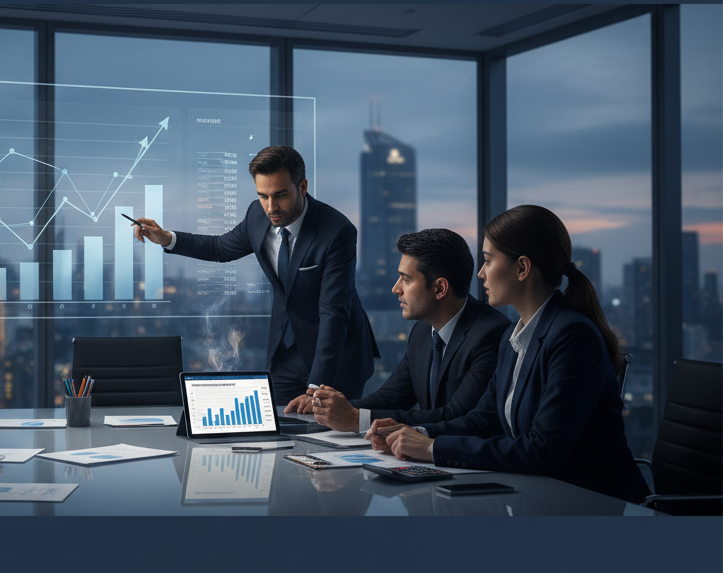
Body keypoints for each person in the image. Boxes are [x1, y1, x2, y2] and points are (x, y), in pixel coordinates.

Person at [369, 205, 649, 504]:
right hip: (535, 496)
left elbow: (541, 450)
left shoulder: (572, 337)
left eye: (488, 260)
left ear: (522, 268)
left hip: (591, 504)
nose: (480, 272)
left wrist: (431, 448)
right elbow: (482, 419)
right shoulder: (513, 337)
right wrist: (416, 431)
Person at [133, 146, 378, 404]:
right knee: (279, 429)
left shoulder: (337, 232)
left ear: (303, 187)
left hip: (335, 358)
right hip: (286, 353)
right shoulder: (257, 216)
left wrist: (316, 387)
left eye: (280, 195)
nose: (271, 207)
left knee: (330, 437)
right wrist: (166, 238)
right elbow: (219, 247)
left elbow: (333, 313)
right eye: (263, 196)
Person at [284, 228, 510, 434]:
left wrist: (357, 420)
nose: (395, 289)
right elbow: (392, 397)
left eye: (406, 279)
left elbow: (457, 416)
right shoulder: (423, 331)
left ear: (440, 288)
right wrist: (329, 406)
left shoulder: (491, 335)